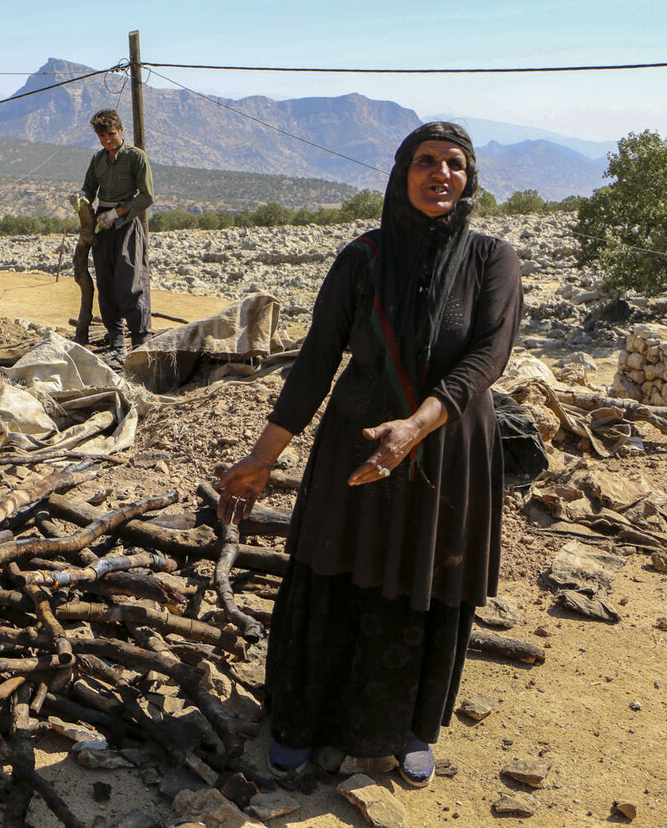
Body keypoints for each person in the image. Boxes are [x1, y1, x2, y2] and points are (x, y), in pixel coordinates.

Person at [217, 122, 522, 788]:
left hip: (447, 451)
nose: (440, 174)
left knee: (429, 582)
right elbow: (314, 365)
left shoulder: (491, 259)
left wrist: (416, 424)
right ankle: (303, 722)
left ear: (469, 180)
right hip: (352, 450)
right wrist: (262, 457)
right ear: (401, 172)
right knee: (333, 572)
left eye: (454, 165)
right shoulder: (361, 257)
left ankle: (407, 730)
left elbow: (488, 356)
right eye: (425, 162)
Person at [78, 108, 154, 354]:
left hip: (127, 225)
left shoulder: (135, 157)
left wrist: (118, 212)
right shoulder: (98, 160)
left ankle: (141, 340)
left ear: (121, 130)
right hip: (102, 226)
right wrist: (80, 198)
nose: (107, 140)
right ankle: (116, 341)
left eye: (111, 134)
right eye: (102, 136)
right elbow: (89, 189)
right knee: (106, 282)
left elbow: (147, 197)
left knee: (131, 280)